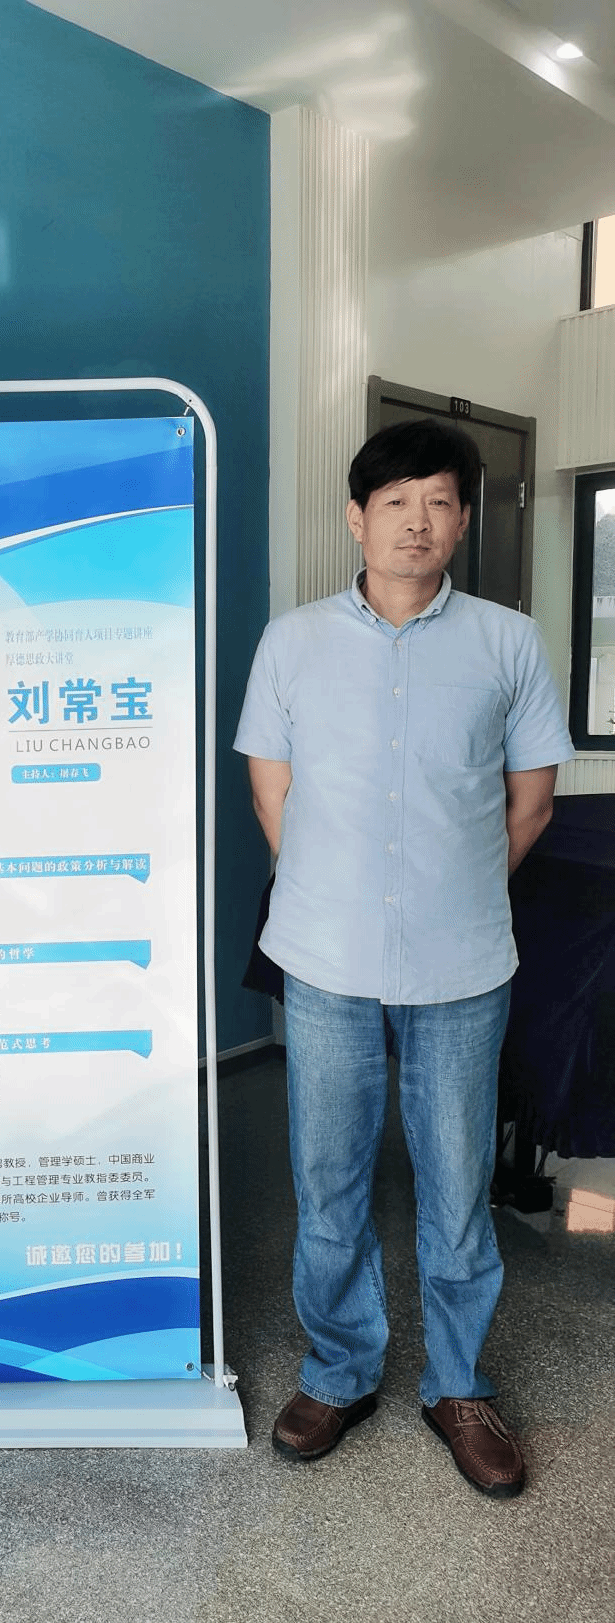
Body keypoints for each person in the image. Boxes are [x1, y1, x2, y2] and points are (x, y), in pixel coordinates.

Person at [234, 418, 573, 1499]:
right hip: (324, 958)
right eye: (394, 502)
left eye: (437, 502)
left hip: (461, 963)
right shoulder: (291, 642)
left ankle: (458, 1385)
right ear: (356, 517)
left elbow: (530, 803)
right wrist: (331, 887)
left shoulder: (507, 643)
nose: (415, 522)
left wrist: (452, 885)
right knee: (328, 1177)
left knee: (455, 1185)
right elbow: (271, 788)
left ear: (462, 520)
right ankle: (339, 1370)